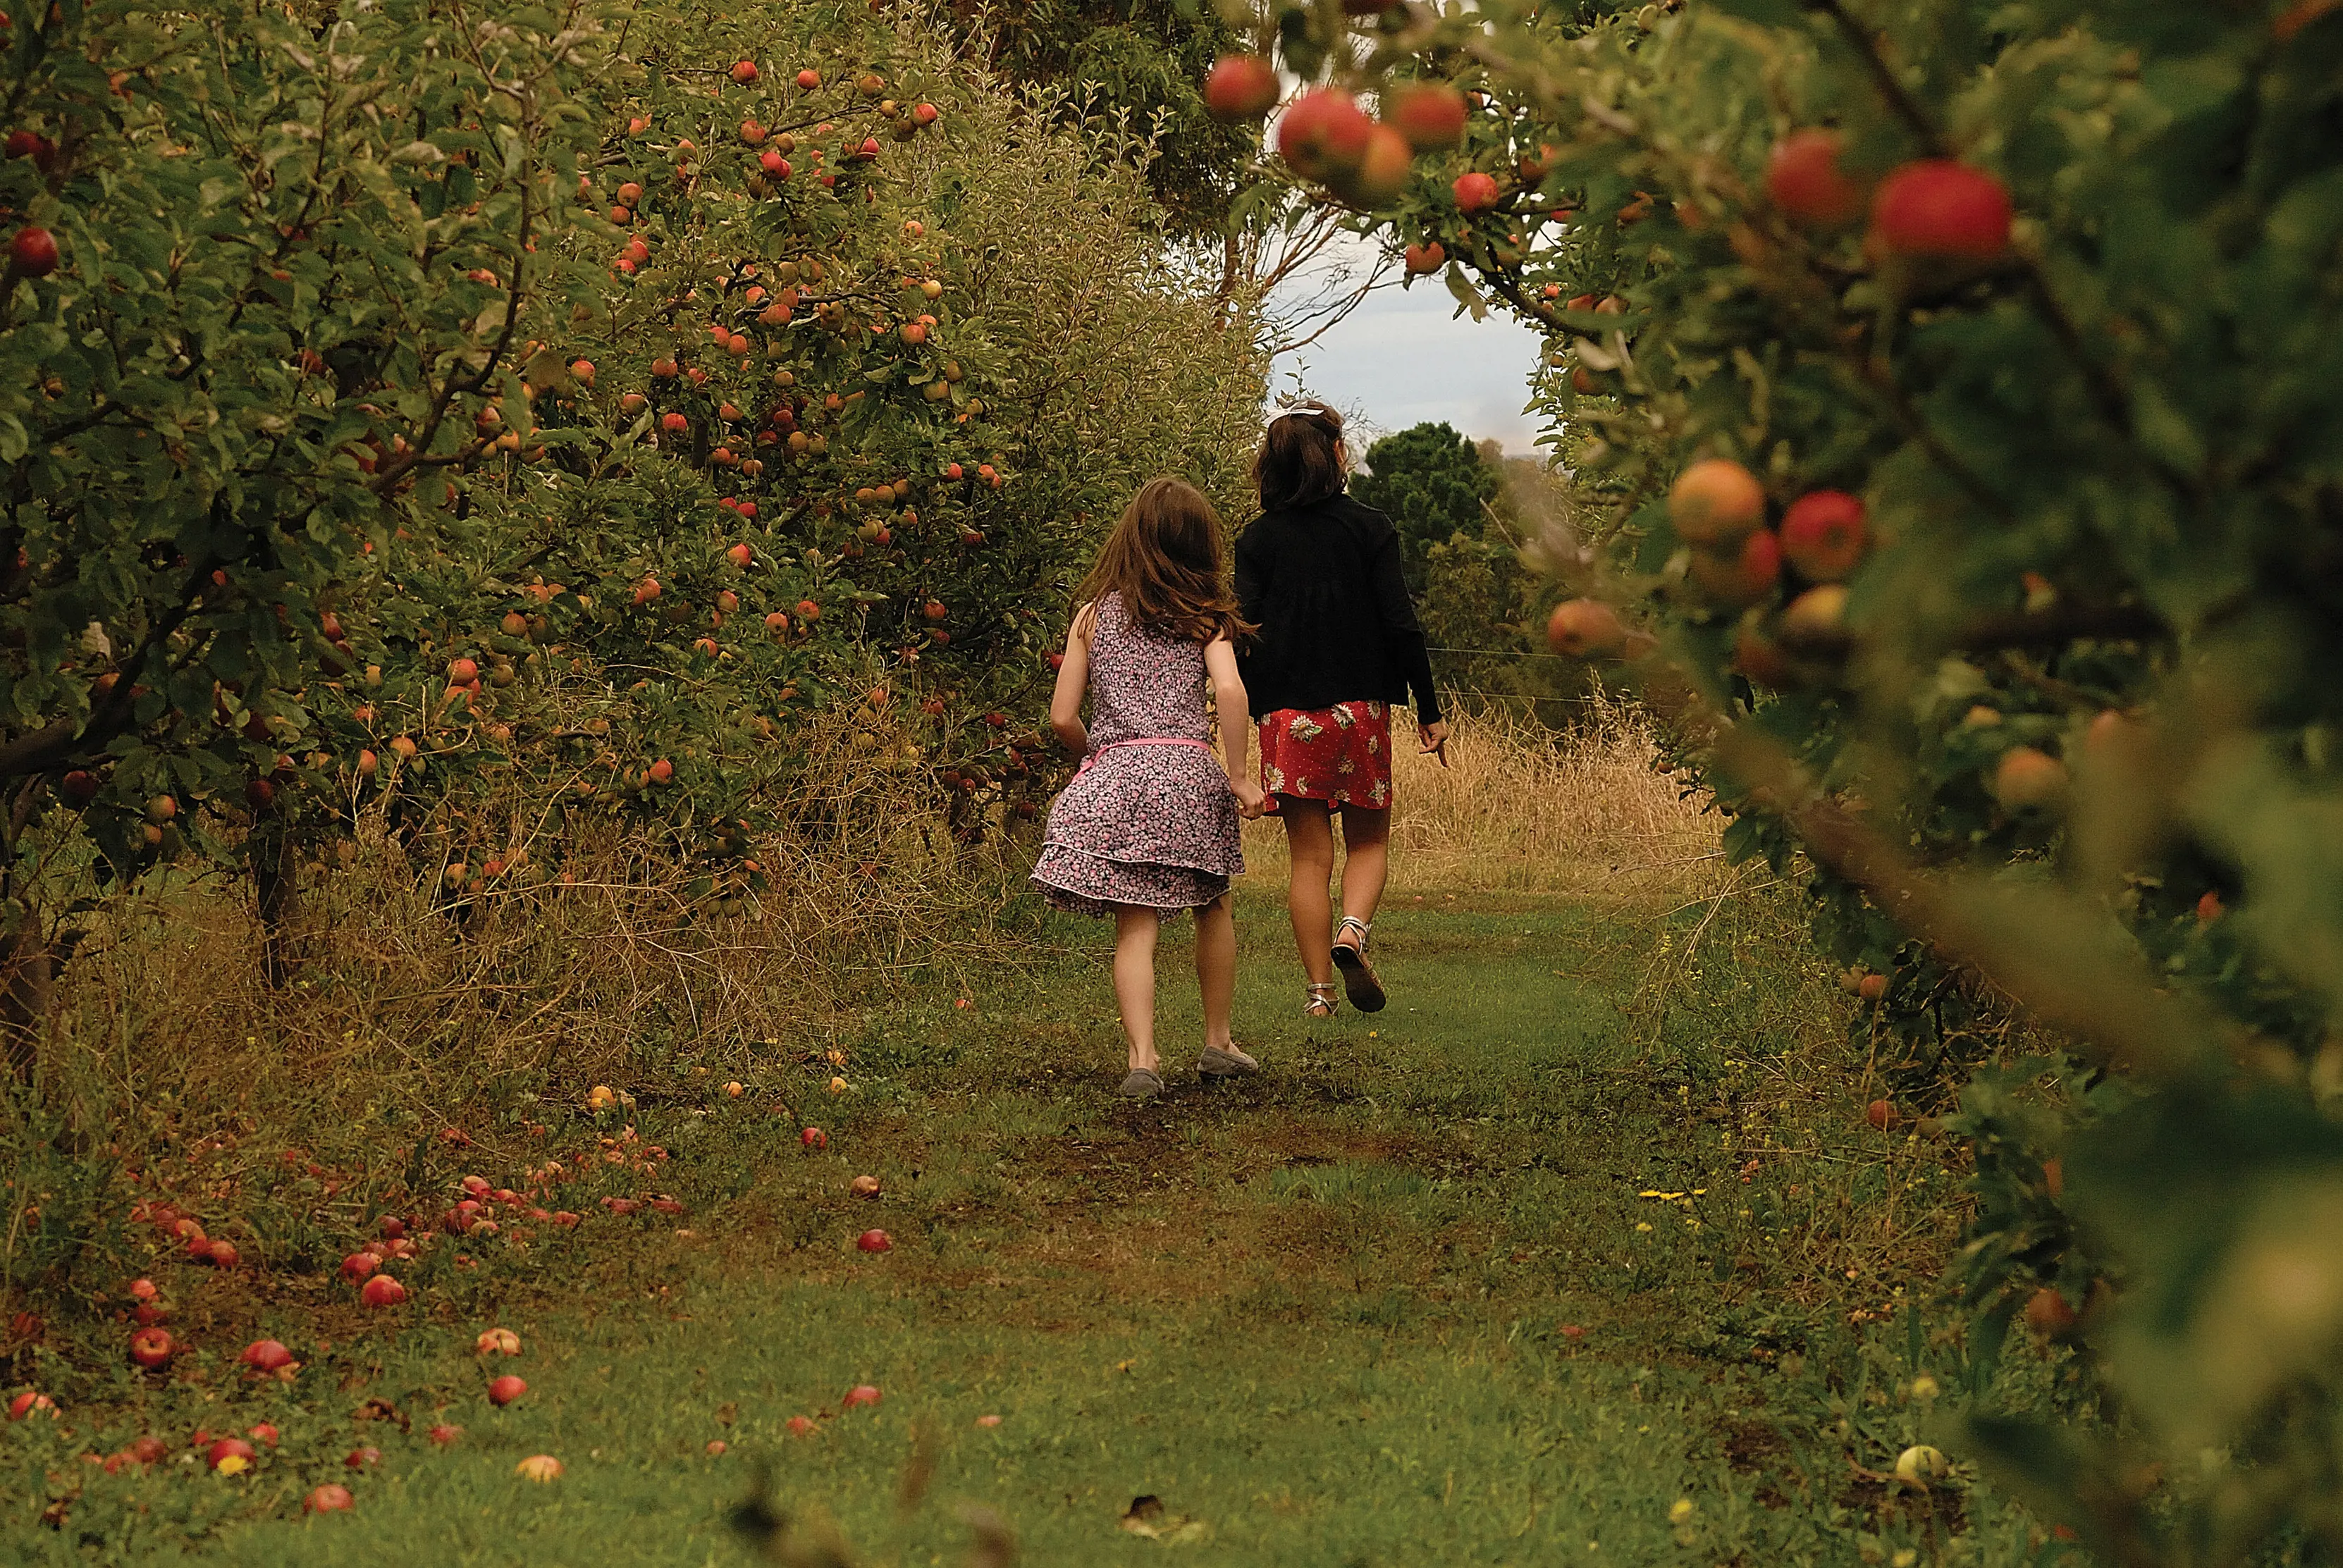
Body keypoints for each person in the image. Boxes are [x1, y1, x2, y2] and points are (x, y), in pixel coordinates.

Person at [1033, 477, 1269, 1100]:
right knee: (1211, 904)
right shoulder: (1206, 619)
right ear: (1199, 546)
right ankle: (1217, 1041)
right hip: (1190, 773)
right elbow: (1229, 691)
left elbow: (1061, 717)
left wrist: (1100, 762)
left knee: (1135, 924)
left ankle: (1143, 1055)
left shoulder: (1091, 616)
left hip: (1121, 771)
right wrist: (1240, 775)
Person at [1234, 400, 1447, 1017]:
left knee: (1308, 855)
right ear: (1334, 456)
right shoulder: (1371, 527)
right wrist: (1428, 709)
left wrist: (1256, 704)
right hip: (1361, 712)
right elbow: (1400, 623)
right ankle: (1353, 929)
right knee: (1369, 842)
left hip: (1286, 715)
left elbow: (1244, 629)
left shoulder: (1257, 538)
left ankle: (1319, 994)